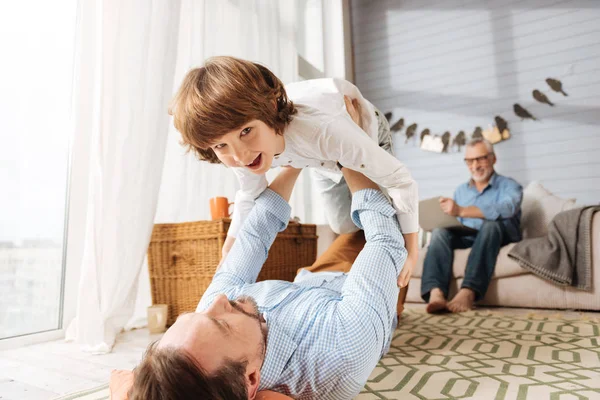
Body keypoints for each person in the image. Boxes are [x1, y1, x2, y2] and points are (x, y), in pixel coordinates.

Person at [129, 165, 408, 400]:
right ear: (251, 379)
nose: (219, 300)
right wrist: (349, 156)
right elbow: (385, 240)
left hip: (313, 277)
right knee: (387, 222)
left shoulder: (206, 331)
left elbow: (254, 235)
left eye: (197, 313)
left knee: (347, 223)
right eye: (222, 323)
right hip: (372, 293)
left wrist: (295, 161)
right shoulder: (339, 353)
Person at [169, 56, 418, 288]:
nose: (240, 156)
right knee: (343, 225)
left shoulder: (324, 132)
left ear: (270, 107)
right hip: (315, 155)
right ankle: (297, 161)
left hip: (356, 131)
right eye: (220, 145)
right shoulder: (240, 155)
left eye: (246, 131)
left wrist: (411, 249)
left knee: (382, 214)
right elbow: (249, 195)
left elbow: (401, 181)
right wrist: (229, 251)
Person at [421, 138, 523, 313]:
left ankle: (468, 291)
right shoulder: (461, 190)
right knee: (440, 232)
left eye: (480, 159)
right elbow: (457, 221)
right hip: (469, 235)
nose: (475, 166)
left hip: (499, 235)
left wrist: (461, 210)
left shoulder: (509, 185)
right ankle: (436, 292)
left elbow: (508, 208)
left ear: (493, 159)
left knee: (491, 225)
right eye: (469, 160)